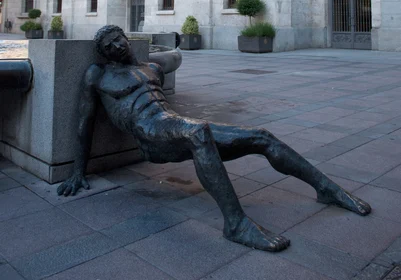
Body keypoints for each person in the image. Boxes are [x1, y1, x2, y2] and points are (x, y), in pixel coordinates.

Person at [58, 25, 371, 252]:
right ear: (103, 53)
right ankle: (235, 223)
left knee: (261, 136)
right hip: (149, 134)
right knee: (197, 131)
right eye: (109, 45)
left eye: (118, 39)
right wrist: (77, 170)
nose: (117, 46)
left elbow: (168, 101)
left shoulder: (152, 67)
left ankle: (327, 189)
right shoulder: (97, 75)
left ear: (127, 38)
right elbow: (85, 122)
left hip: (173, 126)